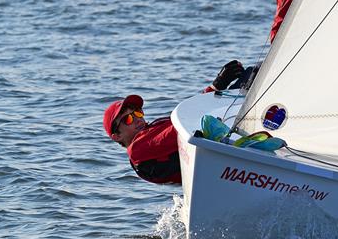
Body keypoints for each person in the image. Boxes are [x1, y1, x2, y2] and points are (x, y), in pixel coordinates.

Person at [103, 61, 256, 184]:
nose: (137, 119)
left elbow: (186, 120)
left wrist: (216, 86)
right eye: (128, 119)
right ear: (117, 136)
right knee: (254, 74)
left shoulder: (150, 132)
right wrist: (216, 89)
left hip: (227, 167)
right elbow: (184, 127)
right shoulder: (137, 149)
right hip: (227, 172)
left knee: (254, 72)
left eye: (137, 113)